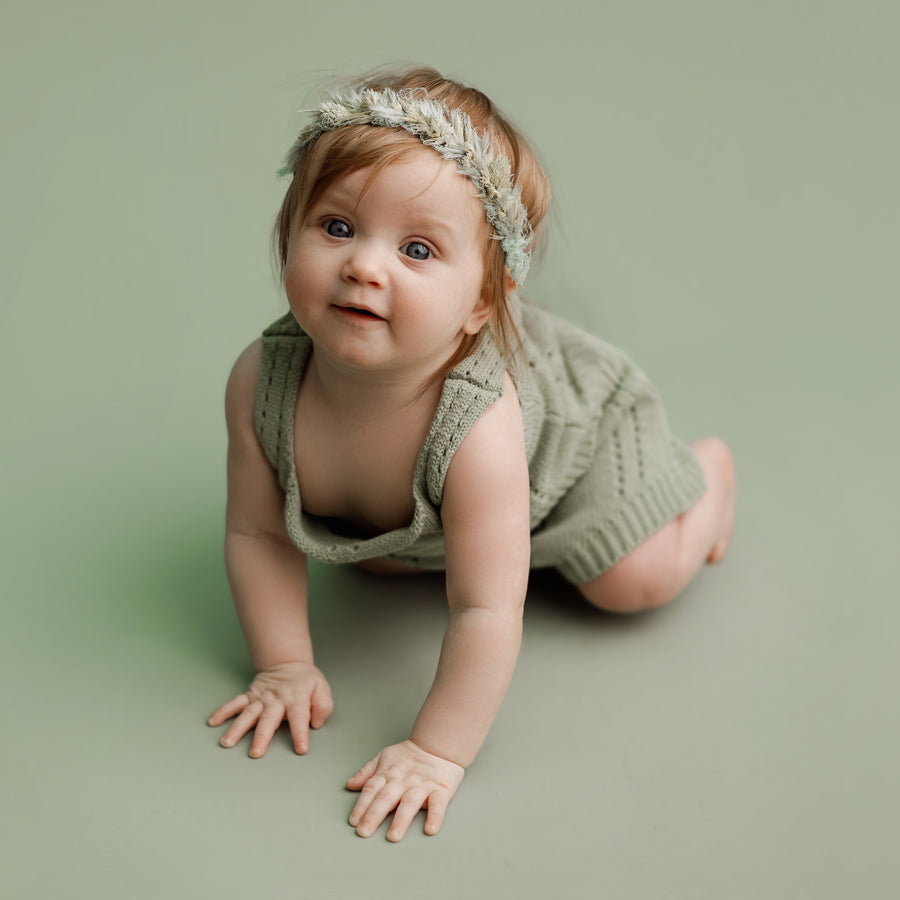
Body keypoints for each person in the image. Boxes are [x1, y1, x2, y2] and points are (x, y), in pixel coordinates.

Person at [207, 66, 735, 842]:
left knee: (633, 582)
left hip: (575, 457)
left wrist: (436, 751)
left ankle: (710, 477)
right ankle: (425, 540)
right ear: (291, 230)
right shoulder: (262, 379)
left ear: (483, 305)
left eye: (417, 249)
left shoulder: (480, 431)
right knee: (375, 557)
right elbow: (256, 533)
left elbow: (488, 608)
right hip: (444, 522)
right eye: (338, 227)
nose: (364, 265)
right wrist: (284, 661)